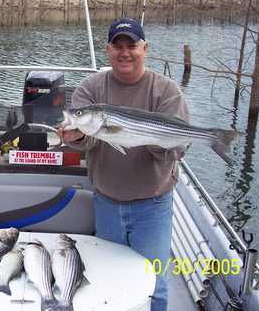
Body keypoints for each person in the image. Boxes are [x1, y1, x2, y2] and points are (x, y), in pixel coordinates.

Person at [59, 18, 189, 311]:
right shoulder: (91, 88)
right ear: (107, 50)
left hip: (152, 205)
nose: (125, 52)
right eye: (117, 46)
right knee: (111, 280)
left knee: (155, 283)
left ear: (145, 49)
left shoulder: (166, 91)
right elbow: (87, 142)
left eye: (132, 46)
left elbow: (176, 150)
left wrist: (154, 138)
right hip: (106, 202)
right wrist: (77, 134)